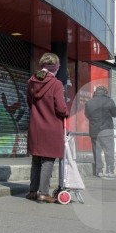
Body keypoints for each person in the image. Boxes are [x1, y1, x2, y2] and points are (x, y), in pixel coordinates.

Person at [26, 53, 69, 203]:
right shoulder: (56, 83)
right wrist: (67, 113)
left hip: (35, 125)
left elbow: (29, 102)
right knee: (48, 160)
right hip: (51, 126)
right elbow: (61, 108)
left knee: (36, 160)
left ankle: (32, 191)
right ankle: (43, 193)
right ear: (55, 68)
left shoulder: (31, 81)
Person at [85, 85, 116, 178]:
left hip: (94, 130)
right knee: (109, 151)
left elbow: (87, 115)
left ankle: (99, 171)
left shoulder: (89, 103)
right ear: (105, 92)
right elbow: (115, 114)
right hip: (106, 130)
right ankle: (110, 171)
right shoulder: (109, 101)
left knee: (97, 151)